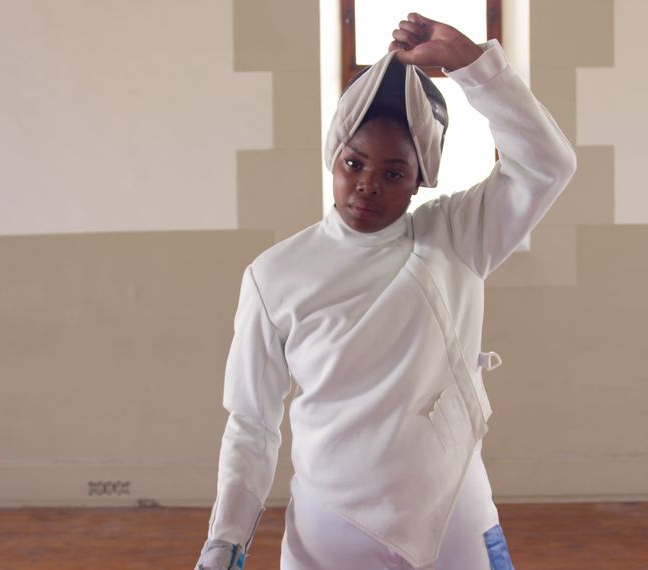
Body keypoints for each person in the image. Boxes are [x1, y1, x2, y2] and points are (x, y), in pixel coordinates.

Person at [196, 12, 576, 570]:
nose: (368, 183)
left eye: (395, 172)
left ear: (421, 177)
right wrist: (226, 540)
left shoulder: (456, 236)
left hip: (454, 519)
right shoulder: (274, 275)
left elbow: (548, 162)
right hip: (329, 532)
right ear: (334, 158)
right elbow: (252, 423)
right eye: (354, 163)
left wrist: (473, 65)